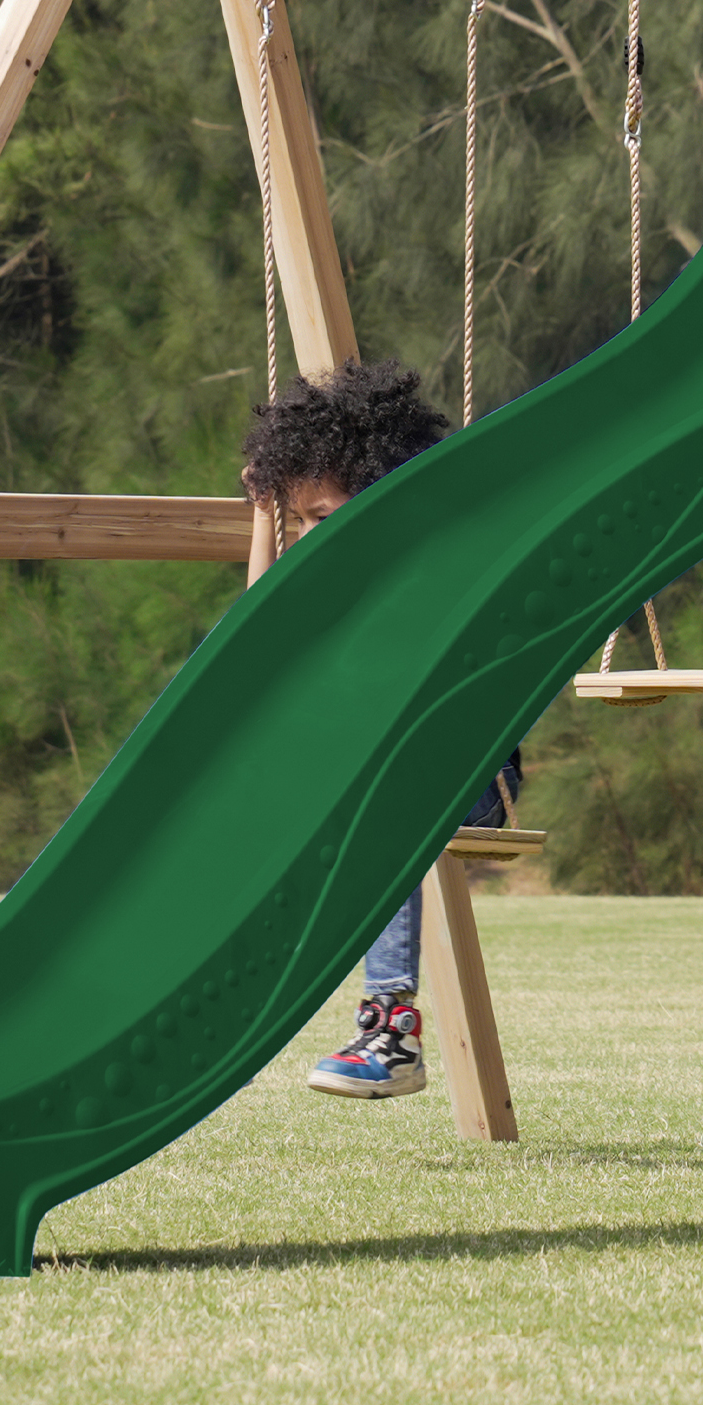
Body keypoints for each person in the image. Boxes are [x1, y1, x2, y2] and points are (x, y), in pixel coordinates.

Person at [238, 358, 522, 1098]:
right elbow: (256, 635)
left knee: (376, 799)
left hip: (470, 775)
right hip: (389, 772)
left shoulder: (427, 574)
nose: (309, 536)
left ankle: (390, 1029)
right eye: (296, 520)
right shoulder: (338, 582)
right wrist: (259, 521)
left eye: (321, 517)